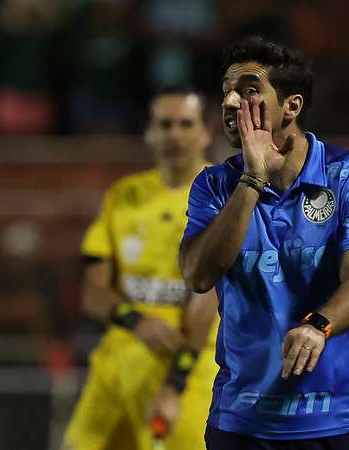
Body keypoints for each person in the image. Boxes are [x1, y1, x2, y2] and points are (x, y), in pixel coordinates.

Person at [179, 36, 349, 450]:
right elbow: (198, 275)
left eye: (249, 91)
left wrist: (316, 327)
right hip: (242, 424)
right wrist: (252, 180)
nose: (230, 103)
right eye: (226, 92)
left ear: (291, 106)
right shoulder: (216, 185)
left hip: (339, 420)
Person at [63, 87, 218, 450]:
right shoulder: (124, 194)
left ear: (205, 133)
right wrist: (136, 320)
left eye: (185, 124)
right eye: (164, 124)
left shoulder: (222, 195)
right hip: (117, 364)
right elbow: (93, 293)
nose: (174, 134)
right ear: (149, 132)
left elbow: (209, 296)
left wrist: (175, 382)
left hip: (187, 366)